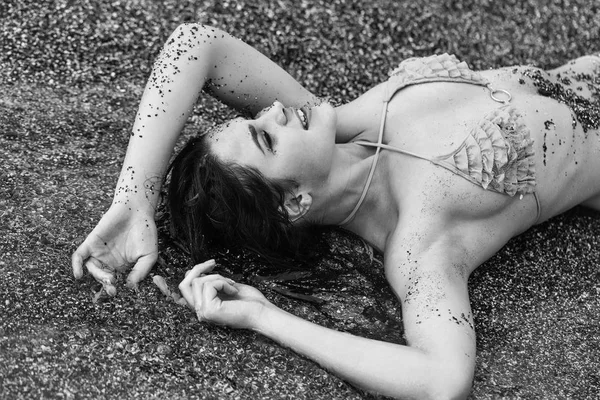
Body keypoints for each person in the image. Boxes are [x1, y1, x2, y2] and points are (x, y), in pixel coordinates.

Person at [72, 23, 600, 399]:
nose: (276, 110)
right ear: (295, 201)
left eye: (259, 117)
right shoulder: (420, 239)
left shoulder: (343, 124)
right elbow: (442, 379)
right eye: (265, 136)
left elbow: (197, 45)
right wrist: (264, 317)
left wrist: (133, 198)